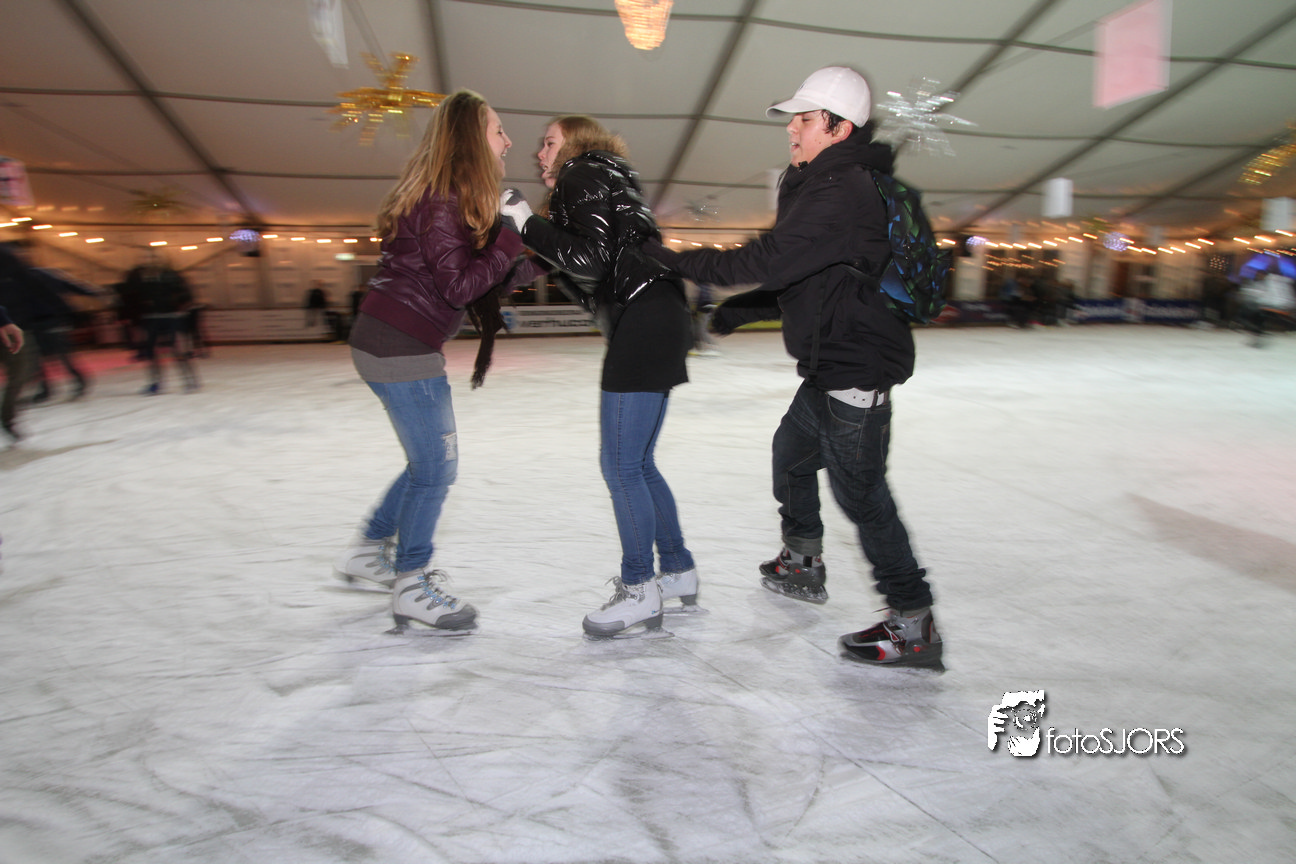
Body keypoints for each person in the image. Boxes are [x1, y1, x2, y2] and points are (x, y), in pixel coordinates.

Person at [646, 67, 942, 669]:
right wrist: (741, 312)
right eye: (793, 120)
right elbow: (808, 277)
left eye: (805, 120)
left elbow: (765, 260)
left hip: (856, 368)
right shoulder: (823, 184)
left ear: (839, 128)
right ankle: (802, 561)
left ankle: (913, 623)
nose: (792, 130)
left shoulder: (843, 190)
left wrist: (669, 259)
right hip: (829, 365)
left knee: (863, 496)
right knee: (791, 454)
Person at [333, 89, 540, 633]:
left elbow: (484, 280)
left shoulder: (449, 197)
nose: (508, 141)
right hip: (400, 346)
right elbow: (458, 287)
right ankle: (411, 582)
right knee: (436, 468)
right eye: (498, 130)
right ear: (472, 135)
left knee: (425, 463)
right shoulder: (443, 199)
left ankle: (368, 548)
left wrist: (543, 258)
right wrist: (509, 235)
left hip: (392, 339)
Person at [499, 115, 697, 638]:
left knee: (620, 466)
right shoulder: (607, 178)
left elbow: (589, 259)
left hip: (643, 317)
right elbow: (573, 263)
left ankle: (639, 587)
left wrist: (524, 221)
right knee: (639, 463)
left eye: (549, 143)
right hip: (661, 313)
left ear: (575, 142)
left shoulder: (580, 172)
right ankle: (677, 569)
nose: (540, 154)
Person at [123, 254, 198, 394]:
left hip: (171, 317)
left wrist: (178, 306)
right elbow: (131, 296)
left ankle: (189, 380)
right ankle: (156, 383)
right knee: (151, 351)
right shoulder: (140, 279)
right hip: (152, 318)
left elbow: (186, 295)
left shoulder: (172, 276)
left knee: (176, 349)